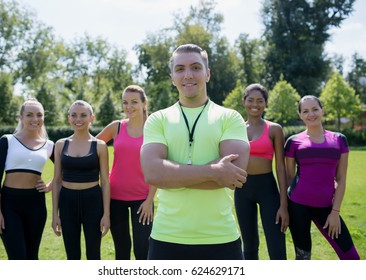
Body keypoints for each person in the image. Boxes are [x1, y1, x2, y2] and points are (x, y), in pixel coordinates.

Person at [140, 43, 250, 260]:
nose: (188, 74)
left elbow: (232, 176)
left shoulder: (230, 117)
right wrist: (214, 171)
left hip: (220, 238)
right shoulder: (157, 119)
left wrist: (172, 176)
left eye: (195, 67)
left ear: (207, 74)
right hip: (166, 238)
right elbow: (153, 174)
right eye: (180, 69)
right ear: (172, 77)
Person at [284, 95, 360, 260]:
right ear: (300, 115)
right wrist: (285, 207)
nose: (311, 114)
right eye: (305, 111)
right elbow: (289, 178)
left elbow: (341, 179)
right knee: (303, 258)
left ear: (322, 111)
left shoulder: (339, 140)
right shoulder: (293, 142)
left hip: (326, 208)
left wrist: (335, 212)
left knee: (351, 258)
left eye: (315, 109)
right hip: (297, 207)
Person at [97, 85, 156, 260]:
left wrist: (150, 200)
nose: (128, 107)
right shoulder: (117, 127)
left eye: (134, 102)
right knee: (121, 250)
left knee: (142, 250)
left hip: (143, 200)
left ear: (144, 104)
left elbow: (157, 165)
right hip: (115, 198)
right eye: (125, 103)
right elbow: (91, 146)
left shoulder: (154, 129)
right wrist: (104, 174)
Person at [0, 98, 54, 260]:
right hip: (9, 205)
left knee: (32, 257)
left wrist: (49, 186)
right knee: (17, 257)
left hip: (36, 205)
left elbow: (67, 168)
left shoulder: (49, 145)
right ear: (21, 118)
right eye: (30, 115)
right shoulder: (7, 141)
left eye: (39, 115)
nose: (35, 119)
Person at [234, 83, 288, 260]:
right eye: (250, 100)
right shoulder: (235, 128)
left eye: (260, 101)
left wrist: (283, 204)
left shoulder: (274, 129)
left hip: (267, 189)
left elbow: (280, 167)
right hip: (242, 189)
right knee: (249, 246)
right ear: (244, 101)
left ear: (266, 103)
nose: (254, 104)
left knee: (276, 244)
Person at [52, 100, 110, 260]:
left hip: (93, 201)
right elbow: (56, 181)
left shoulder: (100, 146)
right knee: (72, 255)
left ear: (91, 118)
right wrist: (54, 215)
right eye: (74, 115)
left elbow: (105, 182)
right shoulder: (60, 145)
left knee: (93, 254)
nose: (79, 119)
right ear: (69, 118)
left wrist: (106, 214)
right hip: (67, 201)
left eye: (83, 115)